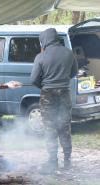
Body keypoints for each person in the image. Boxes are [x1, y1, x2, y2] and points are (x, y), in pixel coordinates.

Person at [30, 28, 78, 173]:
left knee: (50, 128)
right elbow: (74, 72)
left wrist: (45, 86)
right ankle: (67, 162)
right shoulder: (68, 53)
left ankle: (52, 162)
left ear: (44, 41)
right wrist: (62, 82)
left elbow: (33, 80)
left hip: (48, 96)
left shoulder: (41, 56)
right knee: (64, 127)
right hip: (64, 93)